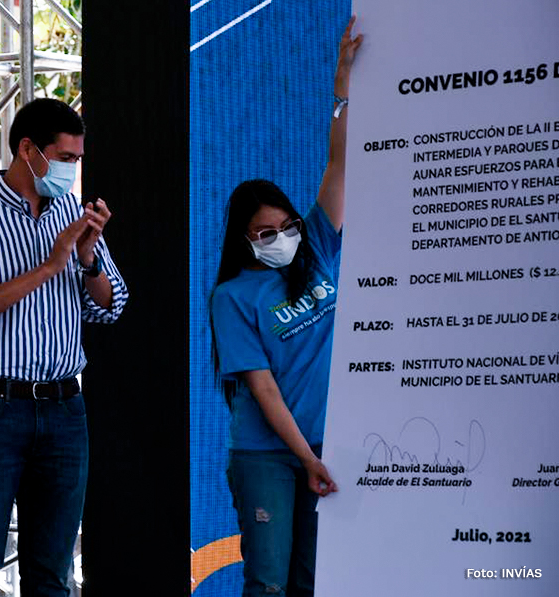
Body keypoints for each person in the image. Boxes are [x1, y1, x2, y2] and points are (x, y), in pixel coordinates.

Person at [0, 97, 128, 596]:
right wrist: (49, 263)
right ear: (28, 150)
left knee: (53, 574)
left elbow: (112, 305)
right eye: (64, 158)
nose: (72, 169)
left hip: (65, 409)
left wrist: (86, 260)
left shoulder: (72, 211)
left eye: (77, 160)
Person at [208, 19, 361, 597]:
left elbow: (339, 166)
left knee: (312, 581)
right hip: (267, 455)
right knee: (268, 583)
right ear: (244, 239)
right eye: (264, 230)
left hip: (329, 446)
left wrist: (342, 82)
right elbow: (264, 389)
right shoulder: (232, 296)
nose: (280, 236)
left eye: (285, 224)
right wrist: (305, 459)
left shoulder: (319, 248)